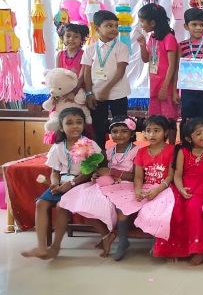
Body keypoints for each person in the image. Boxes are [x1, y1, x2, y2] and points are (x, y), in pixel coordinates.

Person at [21, 107, 102, 260]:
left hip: (81, 182)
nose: (75, 126)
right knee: (40, 203)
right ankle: (41, 247)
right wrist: (54, 183)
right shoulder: (58, 147)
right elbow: (55, 171)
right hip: (63, 182)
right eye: (69, 123)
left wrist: (71, 184)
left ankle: (55, 247)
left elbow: (90, 172)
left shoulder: (90, 145)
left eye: (79, 122)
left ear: (84, 125)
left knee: (61, 206)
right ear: (61, 127)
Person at [57, 116, 139, 258]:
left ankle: (120, 241)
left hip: (127, 186)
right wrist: (96, 174)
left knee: (117, 207)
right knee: (83, 202)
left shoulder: (137, 151)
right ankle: (106, 235)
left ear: (132, 133)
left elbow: (136, 177)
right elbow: (102, 170)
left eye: (124, 131)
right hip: (106, 185)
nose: (119, 135)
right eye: (114, 131)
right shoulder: (108, 151)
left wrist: (112, 172)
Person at [100, 115, 175, 261]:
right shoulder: (141, 152)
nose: (151, 134)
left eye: (156, 130)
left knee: (155, 209)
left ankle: (157, 243)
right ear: (144, 133)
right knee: (123, 208)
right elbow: (139, 177)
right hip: (144, 186)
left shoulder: (172, 151)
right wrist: (137, 190)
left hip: (164, 188)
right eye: (148, 131)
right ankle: (122, 241)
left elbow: (170, 176)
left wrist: (157, 190)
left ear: (165, 132)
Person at [153, 118, 203, 265]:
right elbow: (177, 175)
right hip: (183, 184)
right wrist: (181, 189)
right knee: (173, 207)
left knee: (195, 207)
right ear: (188, 138)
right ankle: (173, 248)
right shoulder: (182, 151)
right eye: (198, 133)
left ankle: (198, 249)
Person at [81, 10, 131, 149]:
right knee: (99, 128)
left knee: (121, 126)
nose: (114, 29)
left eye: (116, 26)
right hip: (97, 95)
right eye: (109, 25)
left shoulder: (121, 47)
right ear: (97, 29)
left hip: (118, 93)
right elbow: (86, 72)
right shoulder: (90, 49)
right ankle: (100, 156)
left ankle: (123, 155)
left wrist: (106, 90)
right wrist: (89, 93)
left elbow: (120, 71)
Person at [136, 3, 179, 144]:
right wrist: (142, 46)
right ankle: (158, 146)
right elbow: (146, 59)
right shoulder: (152, 38)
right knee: (155, 120)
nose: (141, 25)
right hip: (155, 86)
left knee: (169, 119)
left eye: (143, 21)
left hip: (165, 87)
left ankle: (171, 147)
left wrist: (165, 88)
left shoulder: (169, 38)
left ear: (153, 23)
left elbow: (172, 65)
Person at [178, 8, 203, 128]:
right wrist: (174, 92)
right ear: (186, 26)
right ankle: (186, 140)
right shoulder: (181, 46)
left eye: (202, 25)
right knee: (187, 120)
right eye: (194, 24)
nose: (198, 28)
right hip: (187, 90)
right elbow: (177, 70)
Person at [55, 23, 89, 91]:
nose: (71, 39)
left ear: (81, 39)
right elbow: (57, 74)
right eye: (68, 36)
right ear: (62, 38)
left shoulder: (84, 55)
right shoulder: (60, 55)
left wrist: (74, 91)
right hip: (63, 88)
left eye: (76, 37)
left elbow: (82, 76)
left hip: (79, 89)